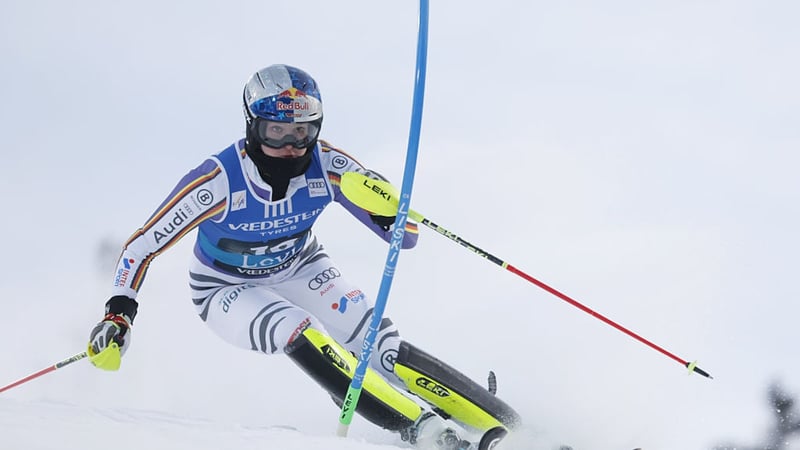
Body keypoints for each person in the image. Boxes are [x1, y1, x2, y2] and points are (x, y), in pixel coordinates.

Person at [87, 64, 520, 450]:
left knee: (378, 345)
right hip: (225, 287)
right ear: (253, 126)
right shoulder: (218, 181)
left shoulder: (327, 164)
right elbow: (141, 246)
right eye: (276, 132)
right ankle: (426, 432)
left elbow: (406, 238)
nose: (291, 146)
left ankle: (508, 425)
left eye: (302, 132)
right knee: (296, 327)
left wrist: (388, 210)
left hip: (301, 266)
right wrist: (119, 315)